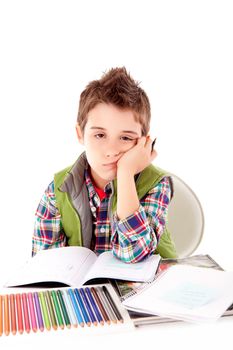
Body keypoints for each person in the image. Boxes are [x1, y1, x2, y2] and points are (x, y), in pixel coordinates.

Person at [32, 67, 177, 262]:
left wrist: (125, 173)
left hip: (147, 290)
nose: (111, 150)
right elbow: (44, 265)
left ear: (143, 142)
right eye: (100, 135)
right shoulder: (58, 190)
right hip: (88, 290)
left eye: (125, 138)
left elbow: (133, 253)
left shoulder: (157, 184)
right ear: (80, 134)